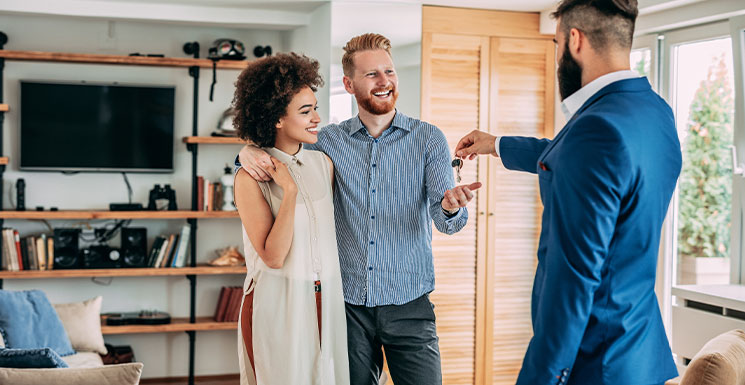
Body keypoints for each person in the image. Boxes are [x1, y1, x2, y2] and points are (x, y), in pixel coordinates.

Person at [454, 0, 680, 384]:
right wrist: (498, 144)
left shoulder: (594, 130)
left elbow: (572, 280)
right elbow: (591, 167)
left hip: (593, 362)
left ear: (574, 41)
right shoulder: (654, 112)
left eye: (556, 44)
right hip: (640, 355)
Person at [238, 33, 480, 385]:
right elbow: (279, 142)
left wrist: (450, 207)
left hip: (410, 303)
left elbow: (448, 223)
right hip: (348, 307)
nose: (385, 82)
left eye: (389, 72)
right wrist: (244, 153)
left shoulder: (429, 139)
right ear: (349, 84)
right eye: (372, 75)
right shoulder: (328, 141)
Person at [232, 52, 349, 385]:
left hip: (326, 299)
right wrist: (289, 192)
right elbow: (272, 256)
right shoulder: (249, 177)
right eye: (305, 111)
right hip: (276, 301)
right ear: (276, 119)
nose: (317, 117)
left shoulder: (323, 165)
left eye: (314, 107)